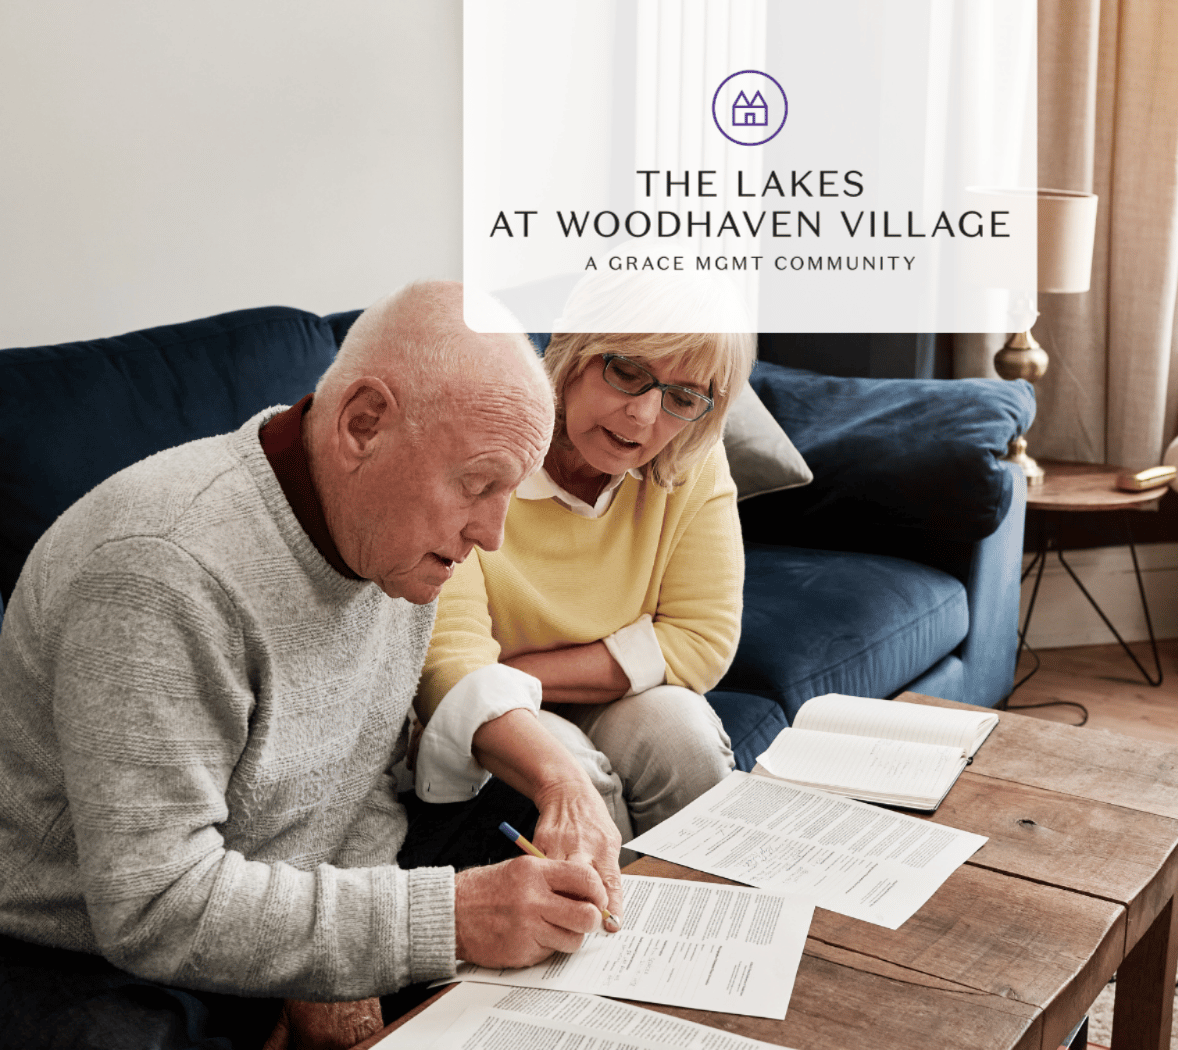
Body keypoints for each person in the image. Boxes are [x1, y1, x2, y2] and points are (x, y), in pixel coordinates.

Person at [0, 280, 624, 1050]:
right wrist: (445, 920)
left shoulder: (391, 538)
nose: (491, 537)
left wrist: (347, 971)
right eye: (477, 484)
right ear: (363, 424)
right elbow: (152, 903)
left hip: (275, 872)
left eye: (508, 493)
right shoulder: (160, 571)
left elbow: (358, 780)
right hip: (92, 941)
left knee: (535, 841)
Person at [414, 272, 755, 844]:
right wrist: (510, 687)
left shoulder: (691, 457)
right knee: (573, 774)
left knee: (685, 736)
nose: (645, 417)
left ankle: (719, 924)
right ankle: (617, 931)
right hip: (493, 716)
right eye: (627, 373)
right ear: (574, 352)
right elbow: (453, 666)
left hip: (569, 692)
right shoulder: (480, 447)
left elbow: (702, 641)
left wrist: (517, 676)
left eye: (682, 397)